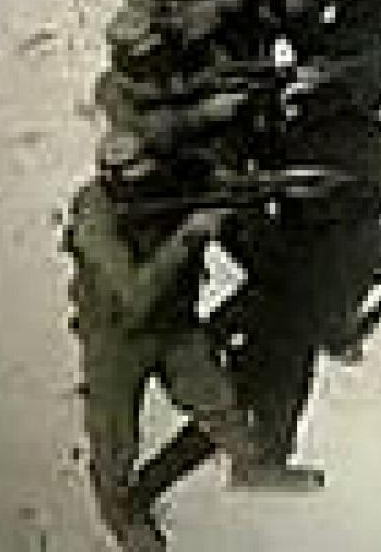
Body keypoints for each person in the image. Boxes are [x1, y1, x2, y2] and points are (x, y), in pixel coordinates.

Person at [67, 135, 321, 550]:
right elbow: (134, 294)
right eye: (136, 178)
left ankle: (250, 465)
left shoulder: (169, 184)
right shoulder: (96, 216)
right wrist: (188, 235)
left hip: (172, 323)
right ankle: (122, 511)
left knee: (216, 399)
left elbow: (211, 187)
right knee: (115, 435)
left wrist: (238, 196)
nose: (148, 182)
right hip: (117, 336)